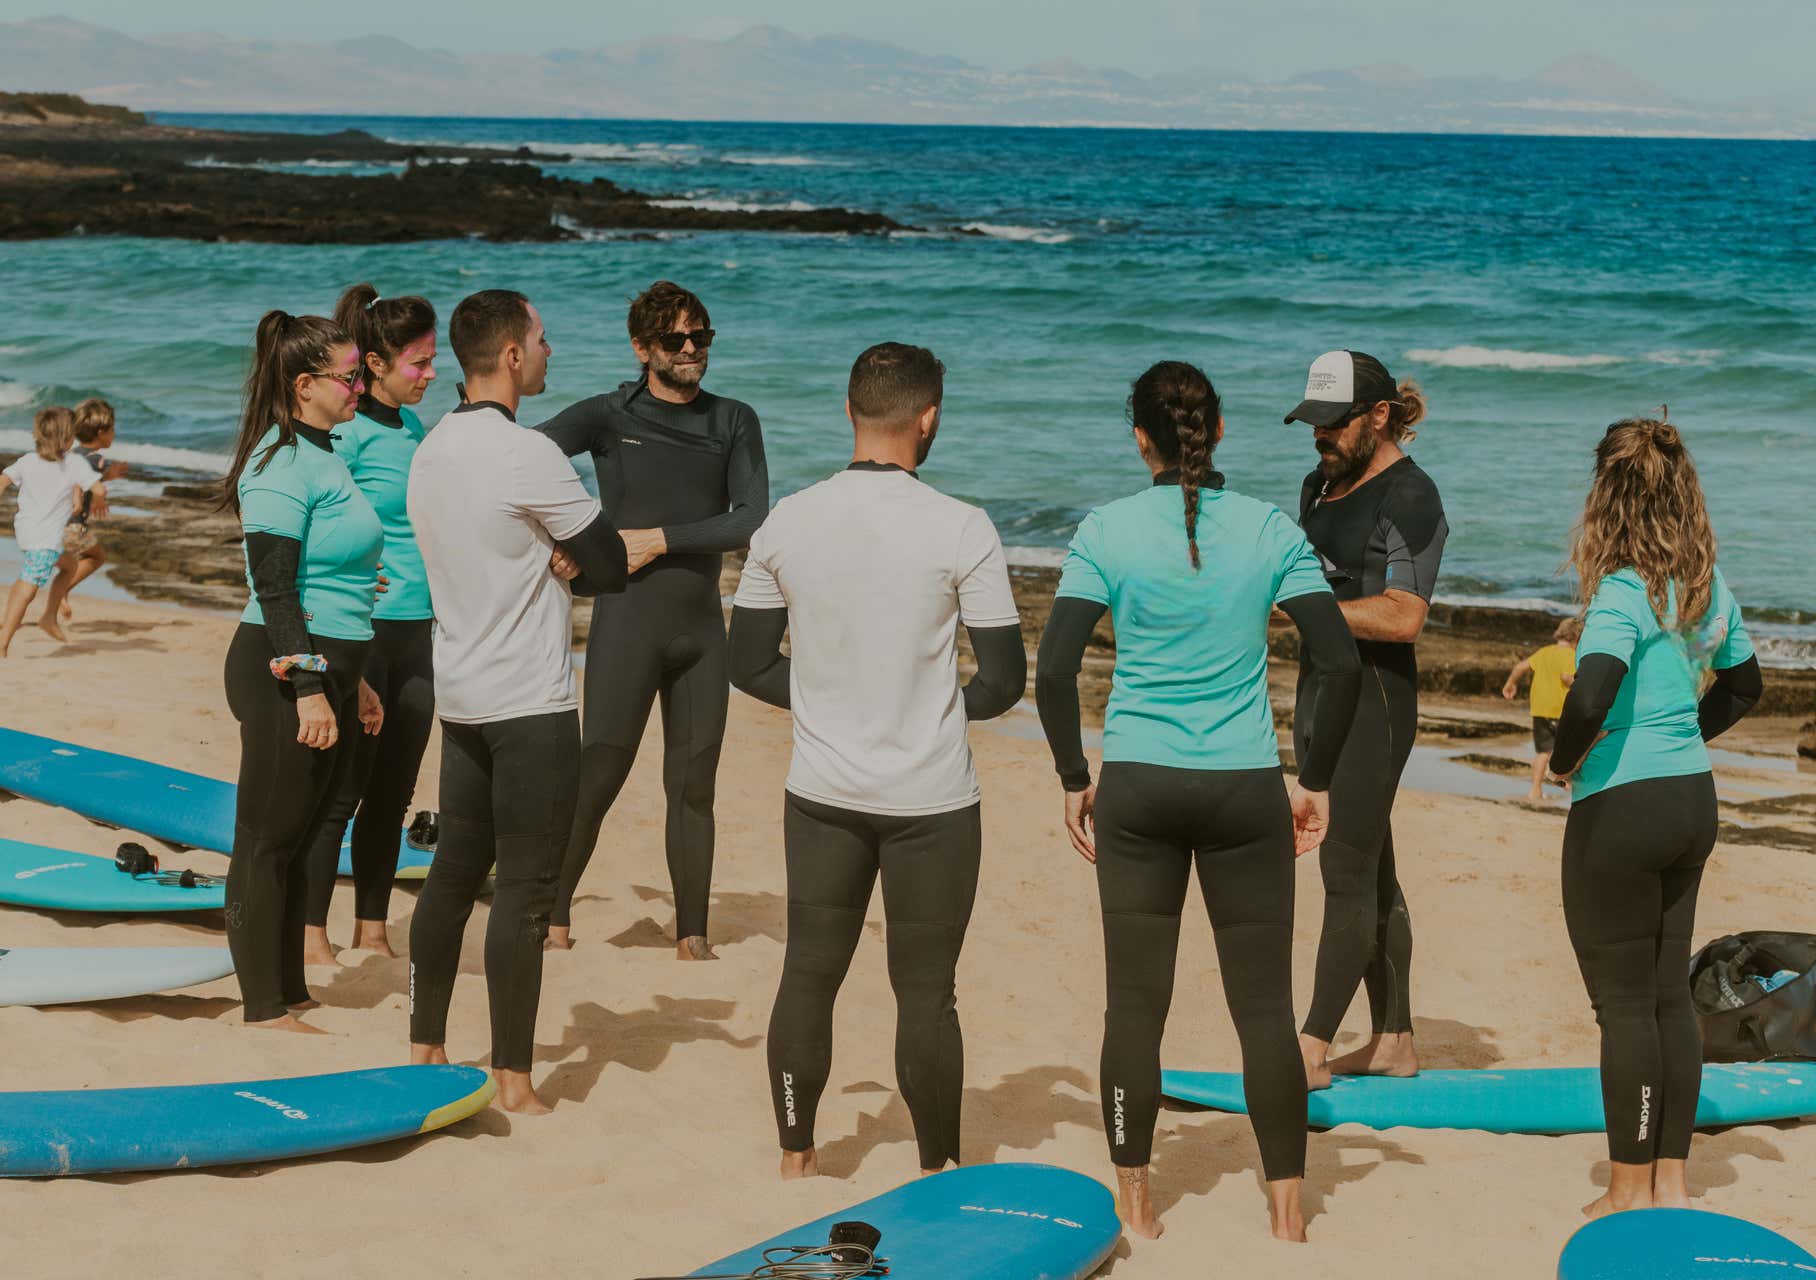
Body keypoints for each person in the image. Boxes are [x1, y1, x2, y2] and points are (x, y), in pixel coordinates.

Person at [1036, 361, 1361, 1242]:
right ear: (1217, 431)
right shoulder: (1268, 529)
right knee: (1264, 1008)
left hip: (1137, 787)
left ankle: (1137, 1206)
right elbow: (1338, 660)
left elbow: (1055, 668)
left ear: (1139, 437)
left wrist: (1074, 777)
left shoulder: (1106, 530)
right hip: (1244, 788)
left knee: (1134, 1006)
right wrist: (1314, 775)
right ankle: (1288, 1214)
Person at [727, 342, 1026, 1179]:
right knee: (926, 991)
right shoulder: (962, 526)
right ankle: (938, 1170)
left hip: (821, 792)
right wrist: (922, 707)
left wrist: (834, 701)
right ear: (928, 418)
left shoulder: (787, 519)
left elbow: (744, 663)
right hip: (931, 800)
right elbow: (1002, 681)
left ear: (848, 411)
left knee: (809, 974)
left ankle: (795, 1160)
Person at [406, 289, 629, 1113]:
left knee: (453, 876)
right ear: (508, 355)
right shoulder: (525, 454)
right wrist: (571, 559)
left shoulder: (431, 449)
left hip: (460, 692)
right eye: (540, 339)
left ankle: (426, 1045)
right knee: (527, 893)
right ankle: (513, 1080)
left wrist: (558, 553)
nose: (549, 352)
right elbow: (605, 566)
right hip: (528, 704)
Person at [1549, 416, 1762, 1219]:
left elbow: (1593, 690)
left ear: (1606, 494)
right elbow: (1745, 688)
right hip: (1690, 801)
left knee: (1625, 1006)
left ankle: (1629, 1188)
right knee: (1669, 993)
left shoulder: (1624, 591)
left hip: (1624, 808)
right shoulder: (1707, 590)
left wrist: (1572, 759)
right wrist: (1682, 742)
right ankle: (1672, 1181)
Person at [538, 280, 769, 959]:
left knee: (694, 785)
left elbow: (750, 517)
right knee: (598, 775)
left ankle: (693, 933)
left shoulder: (733, 420)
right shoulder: (609, 417)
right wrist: (569, 539)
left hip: (701, 630)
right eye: (677, 339)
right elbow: (517, 462)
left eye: (702, 336)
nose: (693, 348)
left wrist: (657, 539)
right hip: (626, 625)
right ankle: (552, 916)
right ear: (643, 348)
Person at [216, 312, 386, 1033]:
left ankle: (291, 993)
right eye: (351, 375)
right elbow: (278, 588)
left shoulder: (325, 451)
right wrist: (313, 688)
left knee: (297, 835)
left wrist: (359, 681)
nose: (362, 384)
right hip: (284, 672)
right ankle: (262, 1008)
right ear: (304, 383)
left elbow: (334, 583)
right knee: (267, 839)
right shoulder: (279, 463)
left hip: (331, 668)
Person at [1284, 349, 1448, 1090]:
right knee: (1371, 869)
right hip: (1319, 692)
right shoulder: (1318, 484)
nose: (1320, 436)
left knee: (1343, 866)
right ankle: (1393, 1040)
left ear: (1378, 416)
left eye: (1332, 423)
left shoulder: (1411, 496)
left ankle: (1312, 1046)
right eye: (1313, 422)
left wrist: (1307, 612)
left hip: (1377, 703)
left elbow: (1403, 615)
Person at [298, 284, 441, 964]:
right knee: (343, 787)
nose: (430, 374)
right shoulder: (345, 433)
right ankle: (311, 932)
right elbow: (313, 521)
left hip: (417, 630)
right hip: (363, 631)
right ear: (376, 364)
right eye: (418, 361)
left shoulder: (415, 429)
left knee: (396, 788)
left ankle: (373, 927)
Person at [2, 406, 104, 655]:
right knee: (29, 587)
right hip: (44, 541)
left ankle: (48, 617)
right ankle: (3, 643)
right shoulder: (74, 463)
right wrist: (99, 499)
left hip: (26, 533)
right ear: (68, 438)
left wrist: (75, 495)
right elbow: (99, 489)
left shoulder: (27, 460)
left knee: (68, 566)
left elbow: (2, 480)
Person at [50, 396, 126, 624]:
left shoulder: (72, 455)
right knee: (96, 556)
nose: (114, 434)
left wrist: (105, 480)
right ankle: (62, 590)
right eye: (112, 429)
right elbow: (94, 480)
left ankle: (58, 593)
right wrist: (100, 497)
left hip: (55, 521)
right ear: (102, 432)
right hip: (73, 524)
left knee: (69, 561)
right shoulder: (97, 459)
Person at [1504, 617, 1582, 801]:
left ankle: (1535, 790)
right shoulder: (1571, 655)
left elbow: (1521, 666)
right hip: (1560, 711)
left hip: (1539, 709)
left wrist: (1510, 683)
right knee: (1569, 749)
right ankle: (1567, 784)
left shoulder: (1544, 652)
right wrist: (1583, 685)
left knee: (1542, 752)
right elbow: (1566, 677)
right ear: (1578, 638)